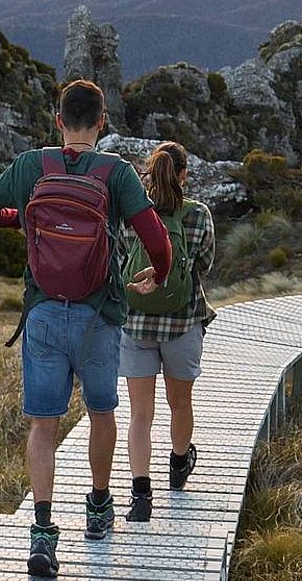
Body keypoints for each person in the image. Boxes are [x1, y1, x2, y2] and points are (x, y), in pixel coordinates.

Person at [0, 80, 173, 579]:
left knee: (44, 425)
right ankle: (99, 509)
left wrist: (25, 221)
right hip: (99, 316)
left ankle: (41, 534)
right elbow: (155, 239)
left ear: (58, 120)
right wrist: (160, 272)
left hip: (41, 313)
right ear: (102, 123)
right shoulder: (117, 173)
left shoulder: (31, 165)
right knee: (102, 411)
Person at [116, 141, 216, 523]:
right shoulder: (198, 215)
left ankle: (141, 496)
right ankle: (178, 465)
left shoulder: (131, 214)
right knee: (180, 404)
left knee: (140, 414)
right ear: (184, 174)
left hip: (136, 323)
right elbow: (202, 267)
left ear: (150, 172)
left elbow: (122, 261)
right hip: (182, 324)